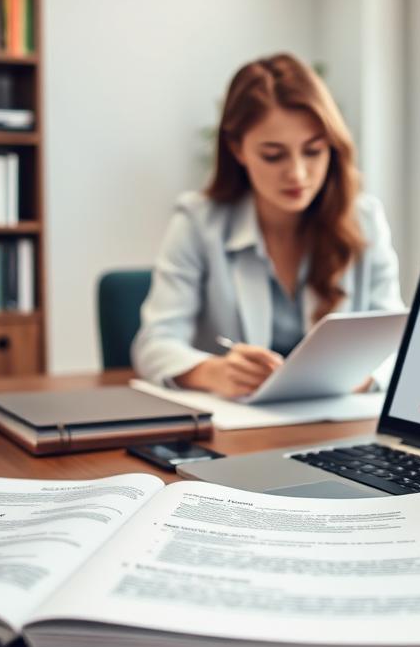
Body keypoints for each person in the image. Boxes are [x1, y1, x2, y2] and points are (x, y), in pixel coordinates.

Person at [133, 53, 403, 398]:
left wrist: (361, 376)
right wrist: (213, 372)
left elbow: (398, 345)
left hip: (336, 423)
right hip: (235, 431)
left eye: (313, 151)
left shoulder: (365, 219)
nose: (297, 174)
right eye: (273, 155)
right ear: (237, 149)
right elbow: (154, 344)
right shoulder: (198, 221)